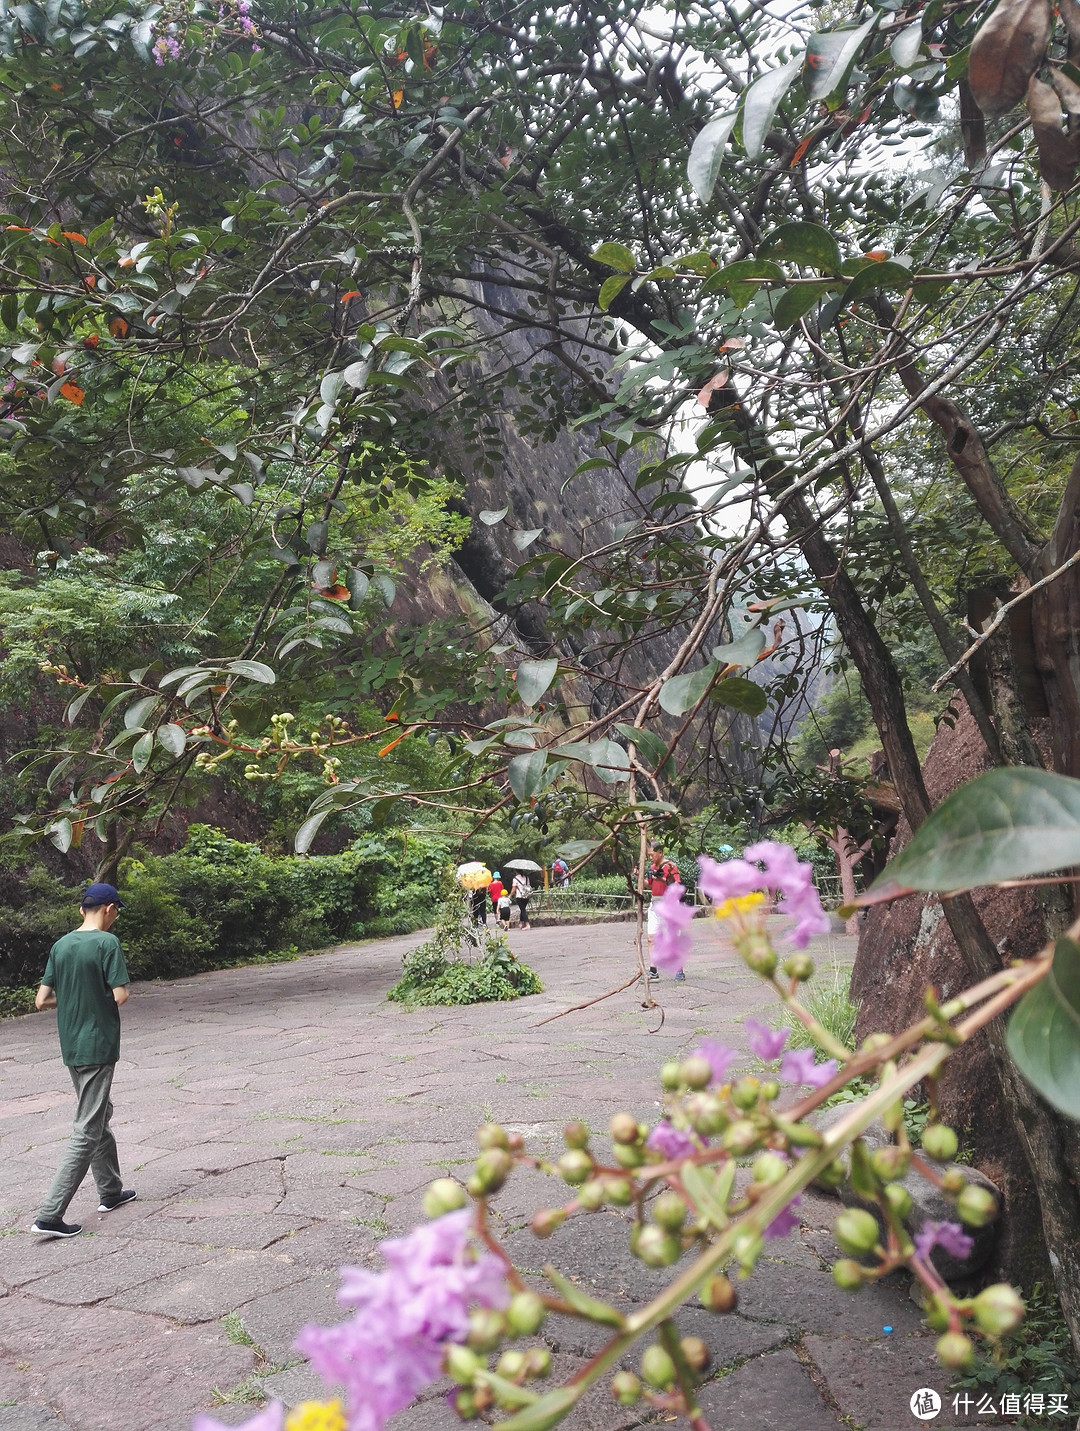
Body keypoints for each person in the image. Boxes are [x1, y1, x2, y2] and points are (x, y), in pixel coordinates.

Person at [31, 882, 137, 1239]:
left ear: (81, 910)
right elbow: (121, 995)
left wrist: (76, 999)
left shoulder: (61, 946)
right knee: (88, 1126)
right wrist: (98, 997)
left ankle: (110, 1191)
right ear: (108, 909)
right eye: (116, 911)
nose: (116, 917)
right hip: (98, 1044)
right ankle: (49, 1214)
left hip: (72, 1046)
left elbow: (41, 1000)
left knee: (99, 1112)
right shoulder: (107, 943)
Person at [644, 846, 684, 983]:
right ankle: (653, 970)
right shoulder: (652, 867)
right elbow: (649, 884)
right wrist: (638, 876)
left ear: (660, 852)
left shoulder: (671, 866)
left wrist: (659, 877)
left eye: (652, 854)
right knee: (651, 938)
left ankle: (679, 969)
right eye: (648, 855)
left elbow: (676, 884)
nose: (650, 857)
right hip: (654, 903)